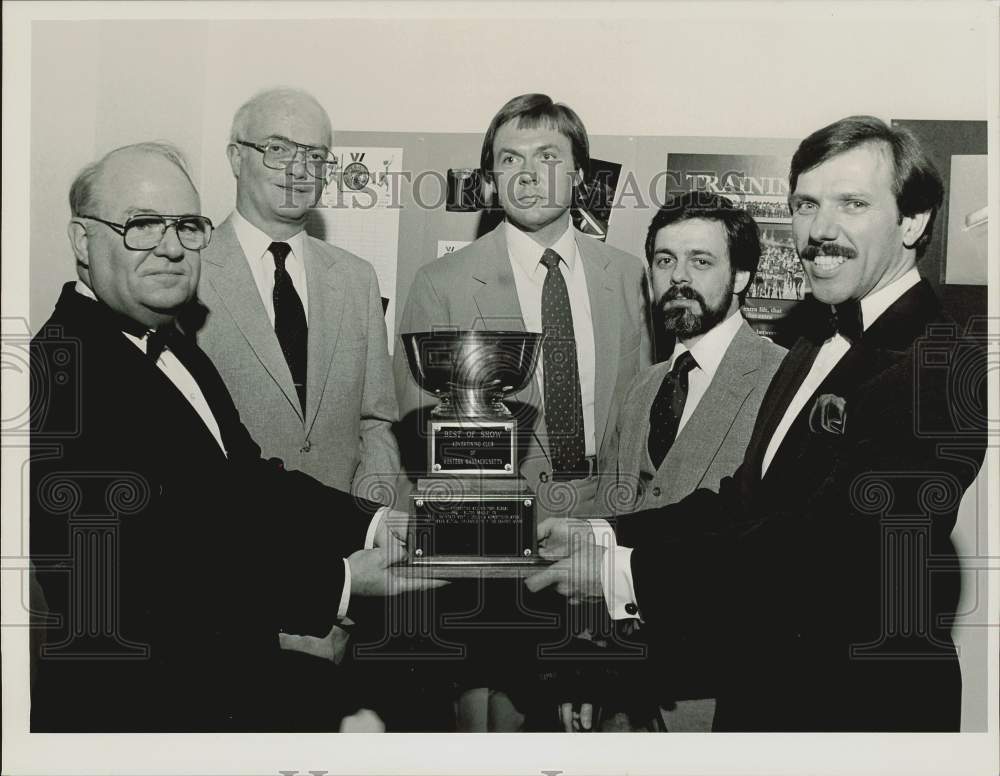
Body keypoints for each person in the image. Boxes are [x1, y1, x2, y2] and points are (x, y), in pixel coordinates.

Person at [528, 115, 987, 731]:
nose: (820, 231)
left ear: (913, 220)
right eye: (806, 204)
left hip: (861, 715)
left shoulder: (941, 362)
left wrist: (622, 572)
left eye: (853, 203)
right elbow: (744, 502)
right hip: (768, 697)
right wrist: (605, 533)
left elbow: (828, 552)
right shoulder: (809, 347)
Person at [29, 142, 438, 732]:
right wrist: (340, 583)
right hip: (130, 717)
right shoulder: (54, 376)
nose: (171, 247)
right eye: (142, 226)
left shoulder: (179, 349)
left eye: (188, 227)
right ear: (81, 240)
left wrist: (376, 522)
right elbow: (137, 578)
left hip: (216, 697)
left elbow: (249, 484)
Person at [393, 93, 651, 730]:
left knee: (601, 728)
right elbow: (426, 437)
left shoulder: (629, 276)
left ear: (580, 175)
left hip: (607, 527)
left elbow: (644, 415)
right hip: (496, 543)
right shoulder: (442, 284)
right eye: (510, 158)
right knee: (494, 729)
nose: (529, 174)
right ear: (490, 178)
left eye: (548, 157)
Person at [192, 87, 400, 667]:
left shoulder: (356, 278)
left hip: (351, 578)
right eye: (279, 149)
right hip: (231, 583)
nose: (300, 170)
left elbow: (376, 420)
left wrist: (369, 528)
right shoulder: (185, 272)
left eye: (316, 155)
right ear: (236, 157)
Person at [574, 192, 786, 732]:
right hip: (622, 698)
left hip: (719, 700)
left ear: (741, 277)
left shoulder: (782, 383)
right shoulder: (643, 388)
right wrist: (585, 670)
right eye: (665, 261)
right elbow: (608, 525)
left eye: (701, 260)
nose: (678, 277)